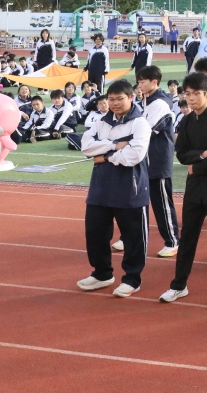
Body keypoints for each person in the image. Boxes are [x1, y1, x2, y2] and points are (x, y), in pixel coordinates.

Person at [159, 72, 207, 307]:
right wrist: (203, 154)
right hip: (195, 189)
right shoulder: (186, 121)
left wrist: (196, 166)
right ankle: (178, 286)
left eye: (196, 93)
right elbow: (182, 154)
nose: (191, 98)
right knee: (187, 240)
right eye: (188, 94)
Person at [77, 79, 151, 298]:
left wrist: (105, 156)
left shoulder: (140, 123)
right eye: (111, 99)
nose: (115, 103)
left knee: (133, 237)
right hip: (101, 188)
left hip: (130, 188)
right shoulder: (101, 121)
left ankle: (132, 278)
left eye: (120, 99)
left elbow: (134, 155)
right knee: (95, 233)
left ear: (131, 97)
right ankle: (102, 274)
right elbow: (86, 147)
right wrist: (115, 145)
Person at [136, 66, 179, 258]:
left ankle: (172, 241)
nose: (139, 85)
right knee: (137, 201)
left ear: (154, 82)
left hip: (158, 160)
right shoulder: (146, 100)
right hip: (144, 160)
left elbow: (144, 130)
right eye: (138, 81)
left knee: (161, 203)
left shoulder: (160, 103)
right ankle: (132, 236)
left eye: (143, 81)